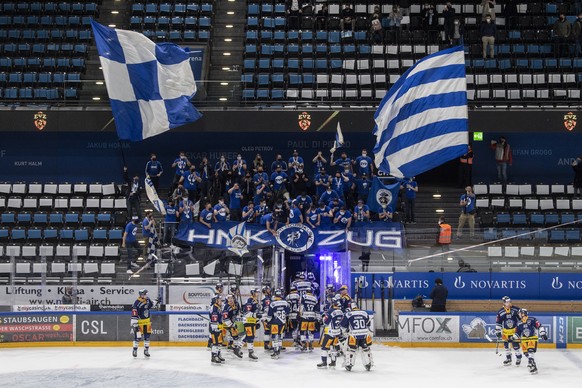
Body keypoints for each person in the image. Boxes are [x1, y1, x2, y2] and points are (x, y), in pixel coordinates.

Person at [340, 302, 373, 371]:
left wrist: (347, 330)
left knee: (351, 349)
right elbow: (368, 324)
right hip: (365, 334)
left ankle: (349, 365)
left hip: (354, 334)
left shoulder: (348, 314)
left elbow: (343, 325)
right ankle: (368, 364)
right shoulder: (364, 313)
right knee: (365, 349)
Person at [514, 308, 547, 374]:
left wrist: (543, 333)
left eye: (520, 313)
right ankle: (533, 363)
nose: (519, 315)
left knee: (530, 350)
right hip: (524, 340)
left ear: (523, 313)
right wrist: (512, 338)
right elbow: (517, 333)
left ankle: (531, 363)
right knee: (526, 353)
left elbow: (539, 326)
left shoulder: (532, 319)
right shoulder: (519, 323)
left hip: (532, 338)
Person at [317, 295, 344, 369]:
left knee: (324, 348)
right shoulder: (341, 312)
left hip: (329, 332)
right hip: (337, 333)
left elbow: (325, 322)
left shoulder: (330, 311)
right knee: (333, 347)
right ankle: (333, 362)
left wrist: (323, 317)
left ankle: (324, 362)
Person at [131, 289, 158, 358]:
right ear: (141, 295)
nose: (147, 295)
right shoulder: (137, 303)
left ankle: (146, 350)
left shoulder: (147, 300)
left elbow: (150, 305)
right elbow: (134, 313)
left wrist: (156, 301)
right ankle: (135, 350)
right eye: (145, 294)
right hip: (139, 324)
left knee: (147, 337)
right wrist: (135, 323)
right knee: (138, 338)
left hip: (147, 323)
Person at [495, 296, 522, 366]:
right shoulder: (500, 312)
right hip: (506, 332)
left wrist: (521, 328)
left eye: (509, 301)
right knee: (506, 346)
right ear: (504, 303)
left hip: (514, 331)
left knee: (515, 345)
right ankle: (508, 359)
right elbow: (498, 322)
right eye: (507, 302)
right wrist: (498, 331)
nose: (509, 303)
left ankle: (518, 358)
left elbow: (521, 319)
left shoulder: (516, 309)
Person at [266, 288, 290, 359]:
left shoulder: (272, 303)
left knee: (274, 337)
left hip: (274, 322)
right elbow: (288, 312)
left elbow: (269, 315)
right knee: (279, 336)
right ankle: (278, 349)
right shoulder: (285, 302)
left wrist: (268, 321)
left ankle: (275, 351)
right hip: (282, 322)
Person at [222, 294, 243, 358]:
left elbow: (238, 313)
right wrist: (230, 324)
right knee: (234, 334)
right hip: (225, 323)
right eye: (229, 299)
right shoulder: (226, 306)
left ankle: (231, 346)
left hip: (232, 322)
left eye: (232, 298)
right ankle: (235, 349)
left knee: (234, 334)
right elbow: (225, 318)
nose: (230, 300)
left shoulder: (236, 305)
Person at [242, 288, 260, 360]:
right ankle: (250, 352)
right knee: (250, 337)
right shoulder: (250, 300)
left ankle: (237, 347)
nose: (257, 294)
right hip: (248, 321)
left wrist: (257, 321)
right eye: (256, 292)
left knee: (249, 336)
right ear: (253, 293)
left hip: (252, 321)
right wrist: (256, 316)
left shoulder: (256, 300)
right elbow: (247, 312)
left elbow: (256, 312)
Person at [299, 286, 319, 351]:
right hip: (312, 317)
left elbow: (301, 306)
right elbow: (317, 309)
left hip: (304, 316)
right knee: (311, 331)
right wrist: (318, 318)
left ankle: (304, 345)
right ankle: (310, 345)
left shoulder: (304, 297)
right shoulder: (315, 298)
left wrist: (299, 314)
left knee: (303, 331)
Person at [209, 295, 226, 364]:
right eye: (219, 300)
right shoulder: (214, 308)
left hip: (218, 327)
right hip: (214, 328)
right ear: (215, 300)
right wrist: (216, 327)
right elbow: (214, 320)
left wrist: (221, 325)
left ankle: (218, 354)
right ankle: (214, 356)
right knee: (215, 343)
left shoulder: (219, 307)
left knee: (219, 343)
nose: (221, 301)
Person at [286, 284, 301, 349]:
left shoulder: (288, 296)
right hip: (297, 314)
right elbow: (300, 305)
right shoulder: (298, 296)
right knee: (298, 328)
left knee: (293, 328)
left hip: (290, 314)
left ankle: (295, 341)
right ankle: (298, 341)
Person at [260, 285, 272, 351]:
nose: (269, 290)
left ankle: (267, 345)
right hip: (265, 317)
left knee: (268, 331)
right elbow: (267, 308)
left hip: (265, 316)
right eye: (268, 289)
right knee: (267, 331)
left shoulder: (266, 297)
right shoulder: (266, 298)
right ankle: (266, 345)